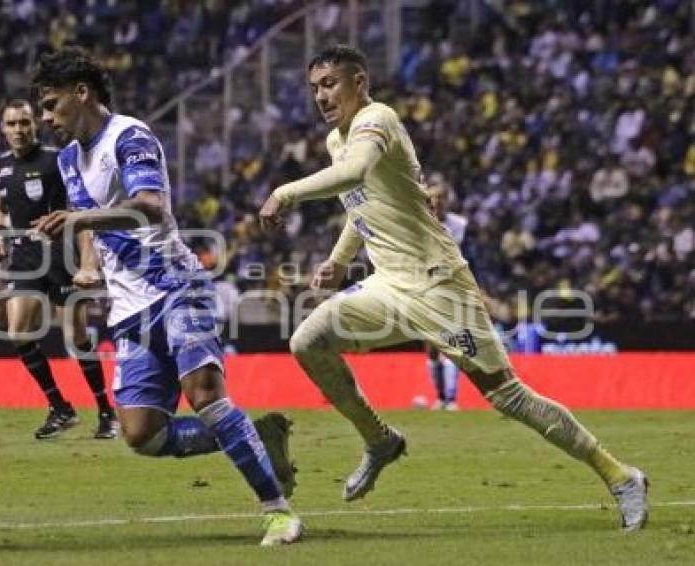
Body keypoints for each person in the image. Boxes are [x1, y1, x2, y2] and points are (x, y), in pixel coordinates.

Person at [258, 44, 648, 531]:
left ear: (360, 82)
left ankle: (621, 476)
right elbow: (361, 199)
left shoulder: (377, 119)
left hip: (441, 286)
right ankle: (380, 440)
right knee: (307, 341)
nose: (321, 95)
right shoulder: (338, 141)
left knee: (508, 396)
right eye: (314, 87)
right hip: (388, 285)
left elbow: (355, 174)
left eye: (331, 84)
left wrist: (284, 192)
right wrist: (339, 261)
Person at [29, 46, 302, 546]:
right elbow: (87, 217)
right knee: (142, 434)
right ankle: (255, 437)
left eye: (51, 104)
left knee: (205, 397)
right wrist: (89, 264)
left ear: (81, 92)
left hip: (177, 287)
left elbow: (150, 206)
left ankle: (278, 511)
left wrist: (81, 220)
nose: (45, 118)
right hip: (130, 309)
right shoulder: (69, 158)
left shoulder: (129, 137)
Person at [0, 99, 118, 440]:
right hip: (24, 258)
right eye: (12, 124)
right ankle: (60, 407)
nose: (19, 129)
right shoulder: (0, 167)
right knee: (18, 333)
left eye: (24, 123)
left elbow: (82, 210)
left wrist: (88, 259)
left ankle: (106, 413)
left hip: (61, 253)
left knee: (75, 338)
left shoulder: (57, 161)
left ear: (35, 125)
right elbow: (0, 209)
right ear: (3, 129)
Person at [424, 177, 466, 410]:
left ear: (448, 200)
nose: (437, 202)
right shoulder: (418, 224)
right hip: (427, 289)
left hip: (453, 289)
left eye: (441, 197)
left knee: (452, 342)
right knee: (431, 346)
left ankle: (452, 398)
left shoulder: (459, 225)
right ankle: (440, 397)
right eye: (433, 198)